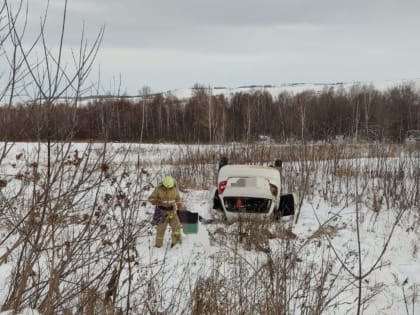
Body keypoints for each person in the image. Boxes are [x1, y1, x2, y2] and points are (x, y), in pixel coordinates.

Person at [148, 175, 184, 248]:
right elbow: (151, 198)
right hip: (162, 212)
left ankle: (176, 242)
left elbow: (178, 198)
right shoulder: (158, 189)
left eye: (169, 187)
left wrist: (179, 204)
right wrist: (154, 201)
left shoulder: (175, 189)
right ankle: (158, 245)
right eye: (165, 187)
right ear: (163, 184)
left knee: (176, 227)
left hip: (172, 211)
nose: (167, 189)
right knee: (160, 229)